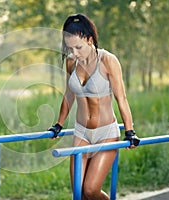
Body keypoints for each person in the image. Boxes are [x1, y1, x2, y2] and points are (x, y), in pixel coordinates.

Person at [48, 13, 140, 200]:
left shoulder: (108, 60)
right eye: (70, 48)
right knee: (78, 193)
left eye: (78, 47)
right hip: (82, 133)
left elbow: (121, 97)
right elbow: (69, 94)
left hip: (106, 133)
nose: (74, 53)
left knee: (90, 190)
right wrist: (58, 124)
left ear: (90, 40)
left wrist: (130, 131)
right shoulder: (71, 62)